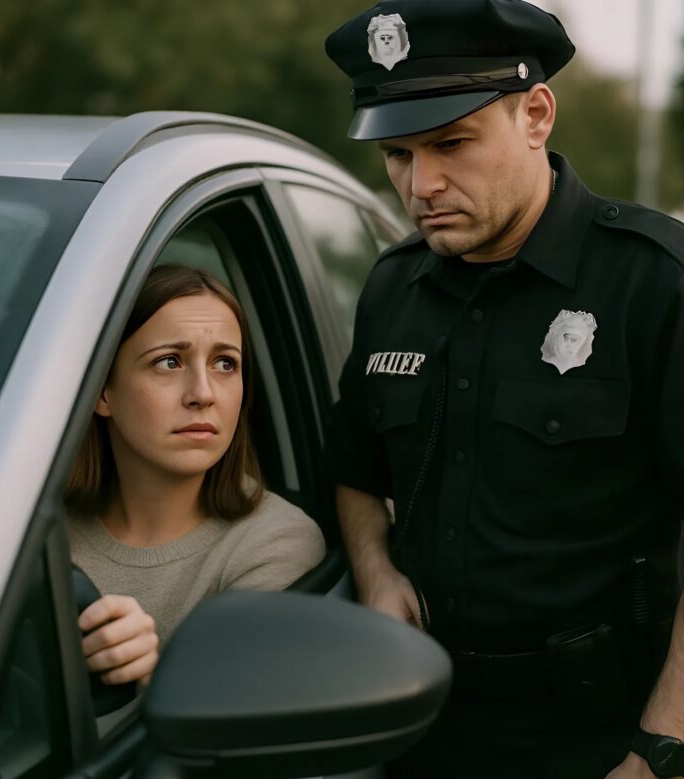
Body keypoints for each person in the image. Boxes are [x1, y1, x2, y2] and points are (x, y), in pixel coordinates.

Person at [323, 1, 684, 777]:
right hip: (420, 728)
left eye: (451, 143)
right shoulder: (393, 289)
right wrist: (376, 570)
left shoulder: (653, 283)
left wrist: (659, 746)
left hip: (598, 738)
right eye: (397, 155)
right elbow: (354, 468)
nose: (421, 185)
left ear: (537, 115)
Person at [65, 264, 325, 690]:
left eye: (226, 363)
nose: (203, 394)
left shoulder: (275, 544)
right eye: (169, 362)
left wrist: (148, 678)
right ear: (102, 391)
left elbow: (235, 717)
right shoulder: (38, 534)